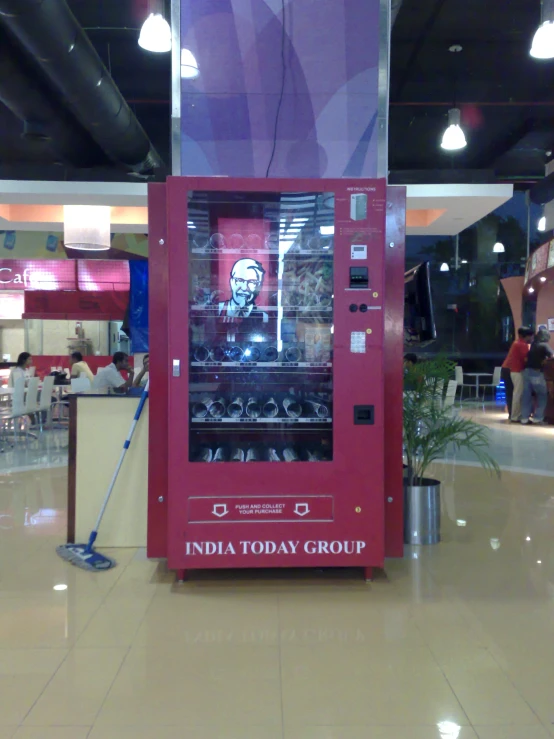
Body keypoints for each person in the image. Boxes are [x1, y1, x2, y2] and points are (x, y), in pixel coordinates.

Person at [521, 328, 554, 425]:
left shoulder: (533, 345)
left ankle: (524, 418)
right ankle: (538, 418)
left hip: (526, 372)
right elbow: (552, 356)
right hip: (536, 372)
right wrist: (544, 361)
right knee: (542, 395)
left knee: (526, 396)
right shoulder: (544, 345)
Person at [500, 327, 534, 422]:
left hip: (507, 368)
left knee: (511, 393)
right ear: (526, 336)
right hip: (514, 370)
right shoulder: (522, 345)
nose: (532, 339)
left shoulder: (516, 343)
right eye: (531, 336)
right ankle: (515, 416)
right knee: (516, 394)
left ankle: (513, 415)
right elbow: (526, 359)